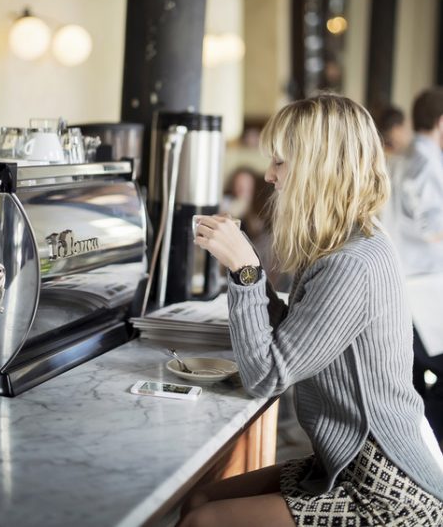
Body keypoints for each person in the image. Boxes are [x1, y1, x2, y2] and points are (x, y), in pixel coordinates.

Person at [180, 94, 443, 527]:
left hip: (386, 488)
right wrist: (247, 268)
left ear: (316, 169)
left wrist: (246, 271)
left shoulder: (351, 264)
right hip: (344, 462)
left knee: (203, 521)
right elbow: (299, 338)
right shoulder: (343, 245)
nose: (269, 175)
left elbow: (266, 375)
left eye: (280, 162)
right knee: (201, 499)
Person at [381, 87, 443, 444]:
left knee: (414, 377)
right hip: (425, 290)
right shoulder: (425, 159)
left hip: (408, 286)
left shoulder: (403, 158)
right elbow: (431, 225)